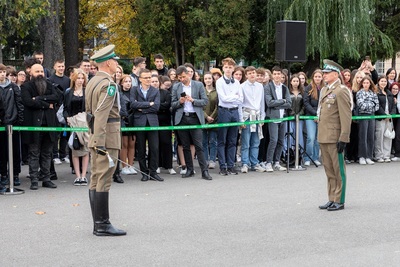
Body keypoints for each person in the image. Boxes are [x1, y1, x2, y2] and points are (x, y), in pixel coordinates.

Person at [85, 44, 126, 236]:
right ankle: (102, 224)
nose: (117, 64)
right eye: (115, 61)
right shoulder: (108, 84)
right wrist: (100, 141)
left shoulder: (93, 81)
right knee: (104, 178)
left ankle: (98, 223)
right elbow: (101, 114)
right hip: (106, 136)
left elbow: (89, 114)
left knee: (96, 177)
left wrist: (93, 137)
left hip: (96, 134)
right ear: (108, 62)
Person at [317, 59, 352, 211]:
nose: (324, 75)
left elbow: (346, 116)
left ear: (336, 74)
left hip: (335, 136)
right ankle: (332, 197)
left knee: (338, 170)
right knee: (329, 169)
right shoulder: (325, 90)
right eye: (323, 72)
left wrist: (344, 138)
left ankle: (340, 199)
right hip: (324, 135)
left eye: (327, 73)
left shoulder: (341, 90)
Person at [21, 64, 59, 190]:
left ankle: (46, 179)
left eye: (42, 71)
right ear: (30, 73)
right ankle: (34, 180)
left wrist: (39, 98)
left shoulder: (49, 85)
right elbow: (28, 102)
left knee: (47, 154)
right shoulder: (26, 86)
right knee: (34, 153)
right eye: (37, 71)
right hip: (33, 125)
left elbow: (56, 97)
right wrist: (47, 105)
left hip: (49, 124)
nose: (40, 73)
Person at [171, 65, 212, 180]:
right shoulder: (176, 87)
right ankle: (189, 169)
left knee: (199, 145)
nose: (182, 79)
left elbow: (205, 101)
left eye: (183, 76)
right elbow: (172, 104)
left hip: (195, 118)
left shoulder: (198, 85)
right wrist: (180, 102)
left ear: (188, 74)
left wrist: (193, 100)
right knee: (185, 146)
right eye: (179, 78)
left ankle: (204, 171)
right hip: (182, 118)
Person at [130, 69, 163, 182]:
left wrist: (141, 108)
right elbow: (133, 104)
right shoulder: (134, 90)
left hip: (152, 122)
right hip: (139, 122)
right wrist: (148, 104)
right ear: (140, 79)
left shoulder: (155, 90)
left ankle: (153, 172)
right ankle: (144, 172)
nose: (148, 80)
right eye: (146, 78)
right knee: (141, 149)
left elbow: (156, 107)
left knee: (154, 148)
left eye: (149, 77)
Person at [216, 58, 243, 175]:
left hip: (235, 112)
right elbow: (223, 99)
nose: (228, 69)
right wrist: (234, 96)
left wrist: (232, 97)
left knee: (233, 140)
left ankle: (231, 165)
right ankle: (222, 166)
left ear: (233, 69)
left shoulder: (237, 82)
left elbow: (241, 99)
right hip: (224, 112)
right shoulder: (219, 82)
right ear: (223, 68)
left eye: (230, 67)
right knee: (222, 140)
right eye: (226, 67)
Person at [0, 64, 24, 187]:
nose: (2, 74)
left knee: (15, 151)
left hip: (13, 124)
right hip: (1, 124)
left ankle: (15, 175)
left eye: (4, 72)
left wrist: (19, 121)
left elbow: (19, 104)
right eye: (0, 72)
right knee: (2, 152)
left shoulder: (13, 87)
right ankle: (3, 175)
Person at [264, 66, 292, 172]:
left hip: (283, 117)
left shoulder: (285, 88)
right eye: (275, 74)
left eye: (278, 74)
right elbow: (269, 103)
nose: (277, 76)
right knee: (273, 140)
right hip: (272, 117)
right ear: (272, 75)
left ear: (281, 75)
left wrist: (279, 103)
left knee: (281, 141)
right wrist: (282, 101)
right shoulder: (268, 87)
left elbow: (289, 104)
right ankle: (268, 162)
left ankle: (277, 162)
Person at [240, 66, 266, 173]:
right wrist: (241, 119)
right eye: (249, 73)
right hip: (247, 115)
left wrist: (262, 117)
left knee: (256, 141)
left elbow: (262, 103)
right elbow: (240, 104)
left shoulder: (260, 86)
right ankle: (245, 163)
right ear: (246, 75)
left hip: (257, 115)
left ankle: (254, 163)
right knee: (246, 141)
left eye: (253, 73)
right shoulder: (242, 86)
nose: (252, 75)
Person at [356, 76, 379, 165]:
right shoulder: (359, 93)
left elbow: (376, 106)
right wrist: (371, 104)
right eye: (364, 83)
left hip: (372, 116)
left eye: (367, 83)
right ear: (362, 84)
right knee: (363, 136)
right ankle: (362, 156)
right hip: (363, 115)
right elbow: (361, 105)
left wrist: (368, 104)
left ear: (370, 84)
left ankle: (369, 156)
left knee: (370, 136)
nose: (366, 84)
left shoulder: (373, 93)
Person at [303, 69, 324, 166]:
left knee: (317, 139)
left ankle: (315, 157)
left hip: (321, 116)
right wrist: (315, 113)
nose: (317, 78)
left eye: (319, 76)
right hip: (310, 116)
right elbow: (306, 103)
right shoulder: (308, 88)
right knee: (310, 138)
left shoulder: (324, 88)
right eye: (316, 76)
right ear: (313, 77)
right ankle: (307, 157)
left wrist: (319, 114)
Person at [118, 75, 137, 176]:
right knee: (124, 144)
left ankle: (130, 165)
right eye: (126, 81)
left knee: (132, 144)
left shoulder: (134, 93)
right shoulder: (119, 93)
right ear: (121, 83)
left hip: (133, 120)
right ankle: (124, 166)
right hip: (124, 120)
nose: (128, 83)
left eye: (130, 81)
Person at [374, 76, 395, 163]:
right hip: (380, 118)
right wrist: (384, 115)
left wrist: (391, 115)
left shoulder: (389, 93)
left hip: (389, 119)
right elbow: (377, 106)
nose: (383, 83)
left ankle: (386, 155)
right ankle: (379, 156)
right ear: (378, 82)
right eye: (382, 81)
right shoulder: (376, 93)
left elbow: (393, 105)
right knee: (379, 137)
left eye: (385, 81)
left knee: (388, 137)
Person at [157, 76, 176, 175]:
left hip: (166, 121)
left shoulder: (166, 93)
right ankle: (158, 165)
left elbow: (167, 104)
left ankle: (169, 165)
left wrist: (156, 105)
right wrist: (157, 105)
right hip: (155, 121)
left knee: (167, 143)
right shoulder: (152, 93)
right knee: (156, 144)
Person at [202, 72, 218, 169]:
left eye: (209, 78)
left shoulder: (216, 91)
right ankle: (205, 160)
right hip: (203, 119)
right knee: (203, 141)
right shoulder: (201, 91)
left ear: (212, 79)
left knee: (213, 141)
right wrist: (206, 116)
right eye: (206, 79)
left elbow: (217, 106)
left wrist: (211, 117)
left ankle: (212, 160)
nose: (208, 80)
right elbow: (199, 106)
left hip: (214, 120)